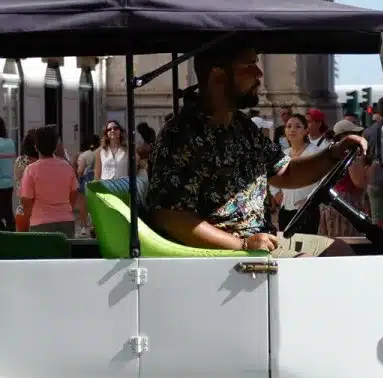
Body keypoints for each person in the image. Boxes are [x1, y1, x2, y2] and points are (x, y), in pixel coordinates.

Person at [148, 43, 364, 252]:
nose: (259, 73)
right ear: (218, 73)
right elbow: (170, 216)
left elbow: (286, 173)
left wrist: (333, 154)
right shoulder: (180, 135)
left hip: (260, 241)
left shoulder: (242, 127)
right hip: (226, 258)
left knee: (337, 249)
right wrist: (241, 245)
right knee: (329, 258)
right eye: (248, 65)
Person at [18, 125, 80, 234]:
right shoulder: (67, 167)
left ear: (36, 147)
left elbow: (26, 201)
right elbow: (74, 193)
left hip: (40, 223)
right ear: (56, 146)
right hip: (66, 221)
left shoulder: (31, 170)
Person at [274, 111, 329, 234]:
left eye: (298, 126)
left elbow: (325, 180)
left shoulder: (314, 152)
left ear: (305, 131)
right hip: (285, 210)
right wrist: (276, 193)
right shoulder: (284, 154)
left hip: (306, 210)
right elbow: (273, 175)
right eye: (289, 126)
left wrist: (309, 200)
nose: (292, 130)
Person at [362, 98, 383, 224]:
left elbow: (365, 157)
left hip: (374, 175)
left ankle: (380, 242)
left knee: (377, 218)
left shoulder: (368, 131)